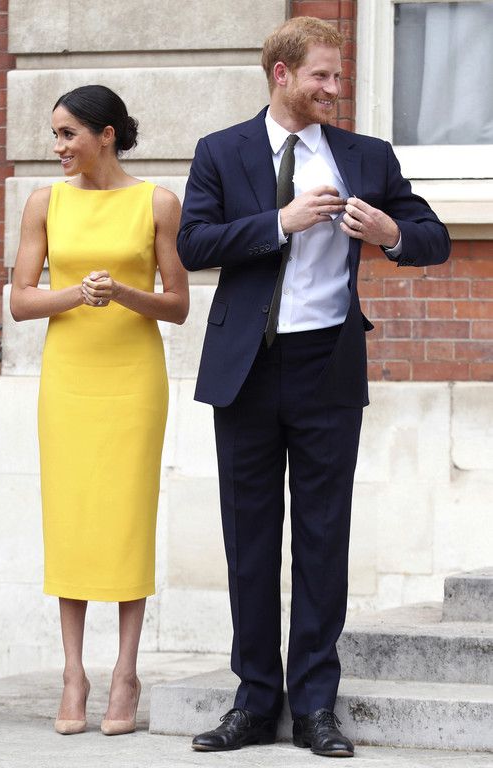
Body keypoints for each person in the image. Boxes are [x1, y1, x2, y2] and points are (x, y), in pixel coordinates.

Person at [177, 16, 450, 758]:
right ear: (282, 74)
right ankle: (254, 702)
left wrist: (389, 233)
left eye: (339, 74)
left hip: (328, 364)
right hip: (247, 368)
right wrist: (280, 221)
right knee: (250, 542)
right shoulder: (222, 151)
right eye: (322, 75)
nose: (335, 87)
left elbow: (432, 237)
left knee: (324, 540)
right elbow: (194, 243)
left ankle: (317, 707)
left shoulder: (366, 155)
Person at [11, 84, 189, 736]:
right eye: (55, 135)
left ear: (106, 134)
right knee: (73, 518)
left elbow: (178, 305)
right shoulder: (44, 203)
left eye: (69, 134)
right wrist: (75, 295)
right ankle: (72, 674)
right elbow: (20, 301)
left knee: (125, 520)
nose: (58, 146)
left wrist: (123, 293)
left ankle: (125, 673)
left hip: (133, 381)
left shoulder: (157, 203)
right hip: (69, 380)